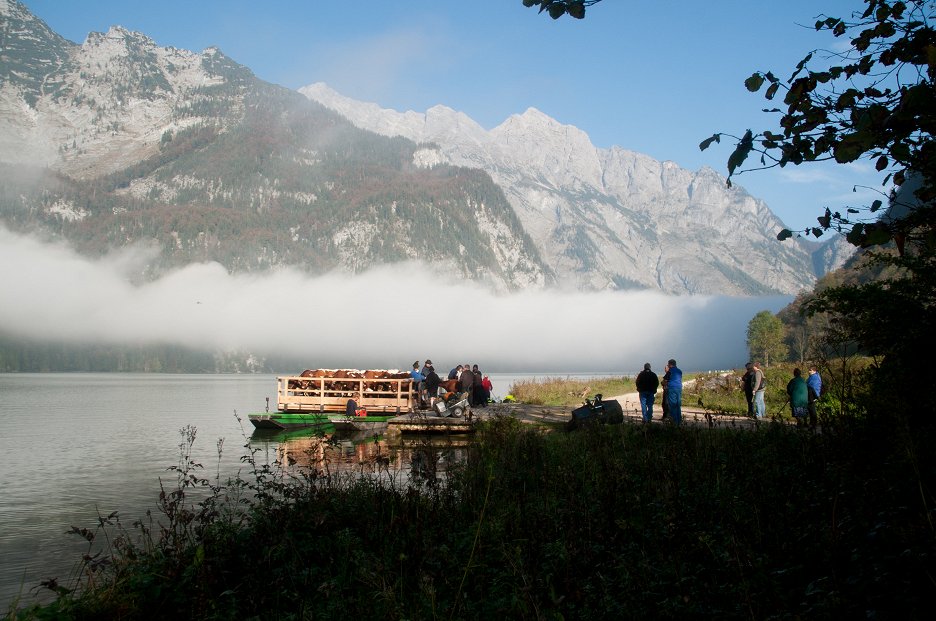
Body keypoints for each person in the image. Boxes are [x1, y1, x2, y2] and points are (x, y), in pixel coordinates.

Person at [666, 359, 683, 425]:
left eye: (668, 364)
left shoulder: (669, 371)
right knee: (678, 404)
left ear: (670, 364)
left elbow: (665, 380)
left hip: (672, 388)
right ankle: (679, 421)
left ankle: (674, 422)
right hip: (679, 388)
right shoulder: (679, 371)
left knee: (672, 405)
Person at [807, 365, 822, 430]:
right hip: (812, 395)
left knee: (812, 410)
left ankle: (814, 424)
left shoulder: (814, 377)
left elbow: (810, 386)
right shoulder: (813, 376)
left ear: (814, 371)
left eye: (810, 370)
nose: (809, 371)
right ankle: (812, 423)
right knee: (810, 410)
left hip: (813, 395)